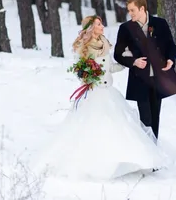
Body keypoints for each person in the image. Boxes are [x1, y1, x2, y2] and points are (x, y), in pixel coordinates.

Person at [34, 15, 164, 181]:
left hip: (109, 92)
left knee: (117, 127)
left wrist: (128, 62)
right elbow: (80, 72)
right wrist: (88, 75)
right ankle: (94, 163)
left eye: (101, 23)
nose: (102, 26)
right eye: (98, 24)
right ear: (90, 28)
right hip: (95, 94)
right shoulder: (84, 48)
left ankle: (120, 160)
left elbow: (111, 67)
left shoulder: (105, 44)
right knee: (94, 127)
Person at [114, 0, 176, 140]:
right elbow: (117, 54)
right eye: (129, 11)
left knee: (156, 116)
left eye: (132, 10)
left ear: (142, 9)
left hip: (159, 78)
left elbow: (171, 45)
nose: (130, 13)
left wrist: (170, 59)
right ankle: (147, 151)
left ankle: (154, 148)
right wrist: (134, 61)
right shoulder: (125, 28)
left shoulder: (160, 23)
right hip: (140, 80)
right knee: (146, 119)